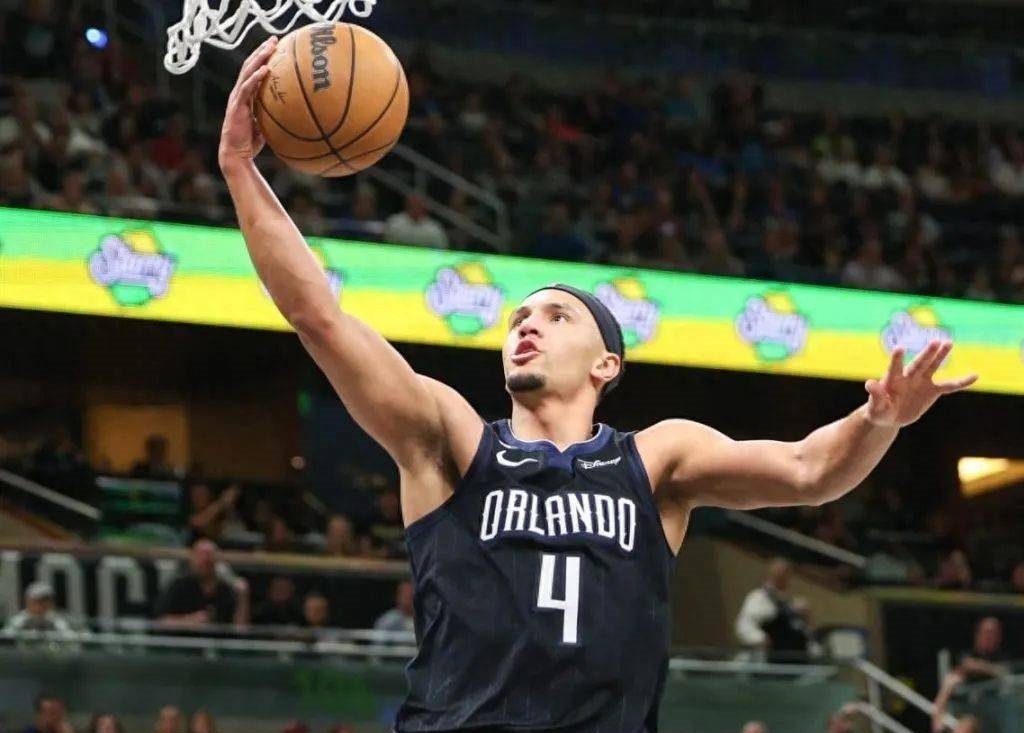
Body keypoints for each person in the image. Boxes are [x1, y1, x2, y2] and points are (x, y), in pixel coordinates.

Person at [219, 38, 978, 732]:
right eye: (519, 317)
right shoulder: (450, 439)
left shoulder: (657, 461)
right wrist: (241, 170)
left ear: (606, 364)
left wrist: (878, 421)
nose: (527, 325)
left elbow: (810, 471)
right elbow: (319, 317)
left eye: (556, 316)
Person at [154, 538, 249, 628]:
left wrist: (242, 598)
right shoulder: (179, 586)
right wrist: (189, 621)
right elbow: (161, 621)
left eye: (210, 556)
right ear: (192, 559)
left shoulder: (225, 590)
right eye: (201, 556)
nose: (206, 560)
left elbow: (238, 629)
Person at [735, 559, 811, 661]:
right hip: (773, 662)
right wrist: (760, 639)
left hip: (797, 661)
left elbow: (803, 631)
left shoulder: (788, 601)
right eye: (784, 574)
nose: (789, 579)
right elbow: (744, 626)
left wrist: (804, 617)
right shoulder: (758, 597)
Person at [3, 582, 75, 636]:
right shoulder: (20, 619)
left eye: (45, 600)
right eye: (37, 600)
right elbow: (7, 635)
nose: (41, 604)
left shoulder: (55, 619)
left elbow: (68, 635)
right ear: (28, 601)